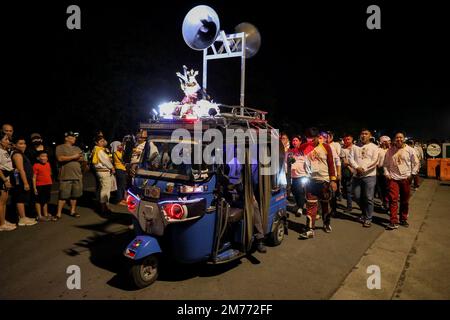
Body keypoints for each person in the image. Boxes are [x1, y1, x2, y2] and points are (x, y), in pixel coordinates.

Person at [299, 128, 337, 239]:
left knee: (325, 204)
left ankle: (326, 223)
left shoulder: (326, 147)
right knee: (311, 205)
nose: (309, 139)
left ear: (317, 137)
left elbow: (331, 164)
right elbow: (304, 164)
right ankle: (310, 229)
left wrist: (333, 180)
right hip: (310, 182)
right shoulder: (306, 147)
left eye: (312, 137)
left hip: (324, 182)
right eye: (307, 137)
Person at [383, 132, 419, 229]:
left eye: (401, 137)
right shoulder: (390, 151)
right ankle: (393, 220)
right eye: (397, 137)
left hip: (405, 178)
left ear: (404, 139)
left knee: (405, 200)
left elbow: (416, 163)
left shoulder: (410, 150)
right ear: (394, 139)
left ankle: (403, 218)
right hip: (393, 178)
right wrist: (387, 174)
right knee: (393, 199)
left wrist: (412, 174)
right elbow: (385, 164)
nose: (399, 139)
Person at [348, 129, 379, 228]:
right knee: (356, 196)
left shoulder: (374, 147)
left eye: (366, 134)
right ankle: (364, 212)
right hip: (357, 175)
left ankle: (368, 218)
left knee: (369, 198)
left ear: (370, 136)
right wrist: (357, 167)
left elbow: (375, 161)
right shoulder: (354, 147)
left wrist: (364, 169)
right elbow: (350, 158)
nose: (364, 135)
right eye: (362, 134)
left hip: (369, 176)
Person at [55, 131, 84, 219]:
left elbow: (82, 158)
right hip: (65, 176)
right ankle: (58, 214)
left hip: (77, 175)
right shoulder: (60, 147)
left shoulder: (77, 148)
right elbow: (60, 158)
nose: (74, 139)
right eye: (72, 137)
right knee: (63, 196)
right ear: (66, 138)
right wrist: (74, 157)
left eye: (75, 137)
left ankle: (72, 211)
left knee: (75, 195)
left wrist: (72, 158)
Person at [11, 137, 38, 226]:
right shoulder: (17, 154)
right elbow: (20, 169)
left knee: (22, 198)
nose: (23, 145)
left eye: (24, 143)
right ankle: (22, 219)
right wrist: (25, 183)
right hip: (20, 181)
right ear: (15, 145)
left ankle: (22, 216)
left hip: (24, 180)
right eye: (21, 143)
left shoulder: (21, 154)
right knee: (20, 199)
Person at [92, 136, 115, 214]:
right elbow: (105, 161)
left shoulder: (100, 150)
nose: (103, 142)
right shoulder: (99, 150)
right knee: (105, 189)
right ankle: (104, 208)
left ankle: (102, 206)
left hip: (102, 171)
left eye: (103, 141)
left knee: (103, 188)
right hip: (103, 171)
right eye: (101, 141)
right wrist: (112, 167)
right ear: (96, 143)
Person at [0, 132, 17, 231]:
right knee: (1, 202)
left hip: (7, 176)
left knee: (5, 201)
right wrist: (5, 180)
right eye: (5, 139)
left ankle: (3, 220)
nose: (8, 141)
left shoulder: (4, 150)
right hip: (2, 178)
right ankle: (1, 224)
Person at [288, 135, 307, 217]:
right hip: (293, 176)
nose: (294, 142)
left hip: (302, 175)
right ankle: (298, 204)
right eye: (293, 140)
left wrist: (308, 175)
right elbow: (287, 162)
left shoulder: (304, 151)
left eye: (296, 140)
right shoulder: (290, 151)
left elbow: (308, 163)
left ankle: (300, 208)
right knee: (294, 191)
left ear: (300, 142)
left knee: (300, 191)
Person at [32, 151, 55, 221]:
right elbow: (34, 177)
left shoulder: (48, 164)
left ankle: (45, 214)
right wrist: (34, 188)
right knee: (38, 201)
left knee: (45, 200)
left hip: (48, 185)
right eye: (42, 156)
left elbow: (49, 173)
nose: (45, 158)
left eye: (46, 156)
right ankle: (39, 215)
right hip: (39, 186)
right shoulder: (36, 165)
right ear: (38, 158)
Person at [326, 131, 342, 216]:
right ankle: (323, 210)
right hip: (323, 174)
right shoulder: (319, 147)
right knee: (324, 192)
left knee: (332, 193)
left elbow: (337, 160)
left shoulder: (333, 146)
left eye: (327, 136)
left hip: (333, 173)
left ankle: (333, 209)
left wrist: (338, 173)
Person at [340, 133, 356, 213]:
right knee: (347, 190)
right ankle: (349, 206)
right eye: (345, 140)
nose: (346, 141)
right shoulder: (343, 149)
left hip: (357, 171)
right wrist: (351, 168)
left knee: (355, 191)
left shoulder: (356, 148)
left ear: (352, 139)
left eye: (348, 139)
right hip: (347, 172)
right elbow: (345, 162)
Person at [377, 136, 391, 211]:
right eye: (386, 141)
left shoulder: (391, 149)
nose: (389, 142)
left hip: (390, 171)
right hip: (380, 170)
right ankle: (384, 202)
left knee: (389, 188)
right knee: (382, 189)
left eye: (389, 141)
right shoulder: (378, 150)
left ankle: (388, 202)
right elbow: (376, 161)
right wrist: (377, 171)